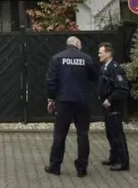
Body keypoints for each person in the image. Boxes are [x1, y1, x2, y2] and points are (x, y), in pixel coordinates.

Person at [45, 36, 98, 178]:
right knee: (83, 134)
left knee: (60, 134)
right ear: (77, 44)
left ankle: (55, 166)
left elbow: (51, 81)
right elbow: (94, 77)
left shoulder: (57, 58)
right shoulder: (86, 59)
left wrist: (51, 98)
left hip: (64, 101)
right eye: (80, 44)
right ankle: (82, 168)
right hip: (82, 101)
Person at [97, 42, 130, 171]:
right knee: (110, 133)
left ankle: (123, 162)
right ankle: (114, 157)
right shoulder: (105, 67)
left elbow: (122, 89)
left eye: (101, 52)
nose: (98, 54)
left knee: (117, 134)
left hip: (114, 106)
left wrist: (110, 100)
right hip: (107, 107)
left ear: (108, 53)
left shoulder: (116, 69)